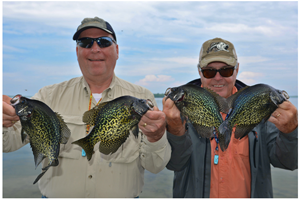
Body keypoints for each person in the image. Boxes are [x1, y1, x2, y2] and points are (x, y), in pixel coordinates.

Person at [3, 17, 171, 198]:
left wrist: (156, 136)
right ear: (77, 51)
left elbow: (156, 165)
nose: (95, 48)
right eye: (85, 42)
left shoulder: (142, 97)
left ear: (117, 50)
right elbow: (7, 143)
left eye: (104, 42)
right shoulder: (47, 96)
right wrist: (3, 121)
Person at [163, 37, 298, 198]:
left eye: (226, 70)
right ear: (200, 71)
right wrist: (175, 129)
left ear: (237, 69)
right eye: (209, 71)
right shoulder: (179, 111)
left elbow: (289, 163)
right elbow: (173, 163)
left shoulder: (261, 108)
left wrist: (290, 132)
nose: (218, 78)